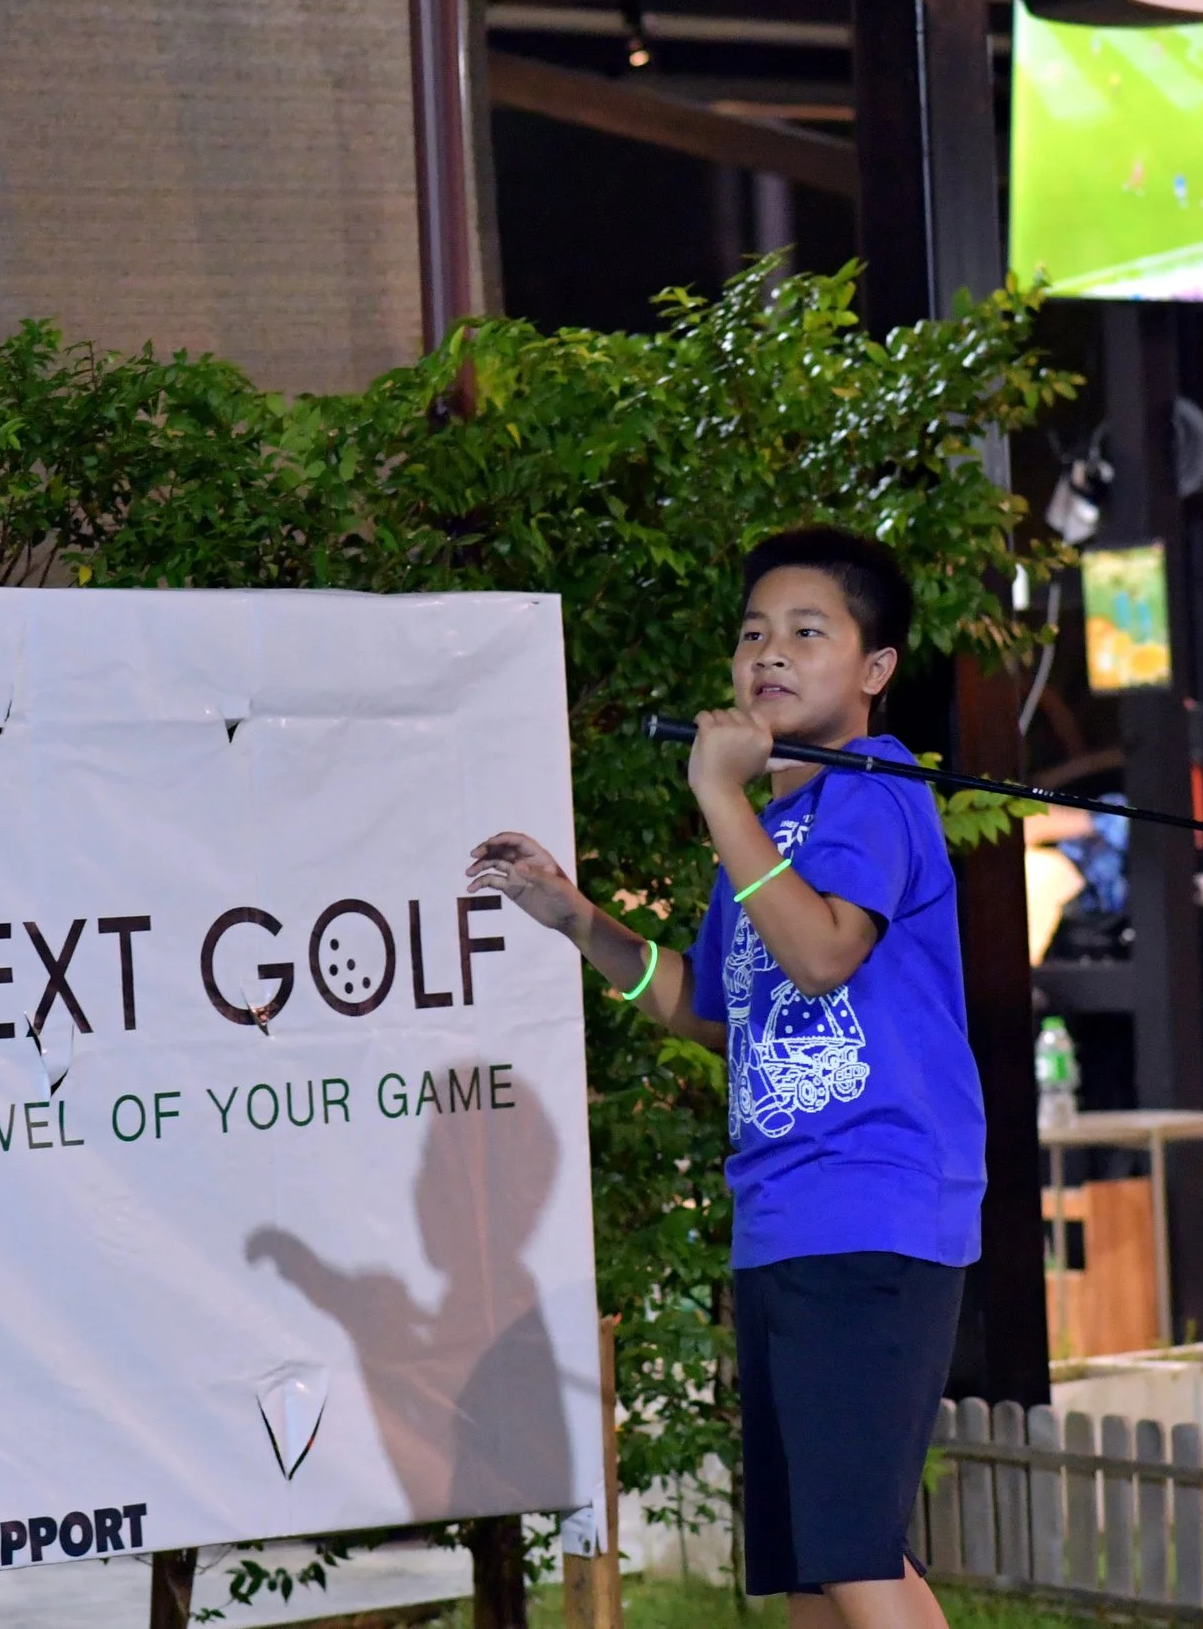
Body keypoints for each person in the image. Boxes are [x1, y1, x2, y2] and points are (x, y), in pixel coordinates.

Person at [470, 526, 980, 1629]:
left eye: (809, 630)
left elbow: (822, 950)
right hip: (783, 1215)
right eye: (753, 632)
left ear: (874, 669)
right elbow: (714, 1003)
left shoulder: (873, 793)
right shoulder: (768, 826)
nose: (770, 652)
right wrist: (576, 917)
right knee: (811, 1564)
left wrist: (719, 797)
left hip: (872, 1206)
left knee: (855, 1554)